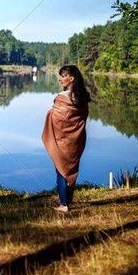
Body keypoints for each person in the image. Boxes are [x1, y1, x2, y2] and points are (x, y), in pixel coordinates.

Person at [42, 65, 90, 212]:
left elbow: (59, 119)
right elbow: (80, 119)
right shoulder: (82, 97)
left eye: (63, 76)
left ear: (72, 78)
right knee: (71, 169)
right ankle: (67, 202)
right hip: (76, 139)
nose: (60, 78)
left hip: (62, 140)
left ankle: (64, 205)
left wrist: (51, 112)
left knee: (61, 170)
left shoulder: (62, 97)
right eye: (60, 76)